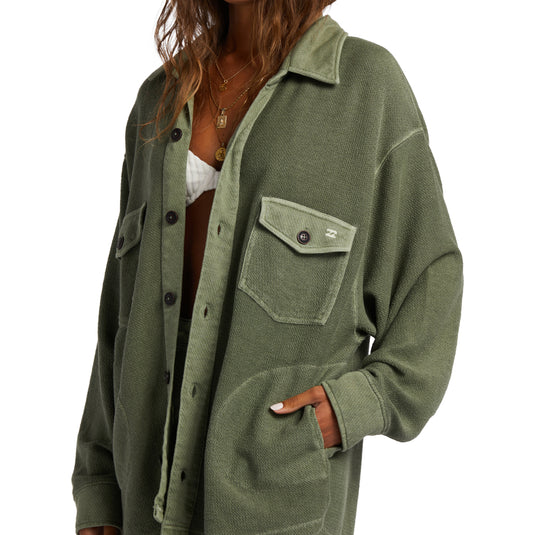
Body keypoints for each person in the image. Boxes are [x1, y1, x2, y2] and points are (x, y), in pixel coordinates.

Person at [72, 0, 464, 534]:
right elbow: (121, 308)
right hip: (141, 486)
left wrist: (353, 406)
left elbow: (430, 279)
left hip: (276, 498)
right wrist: (97, 479)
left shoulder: (367, 88)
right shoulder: (158, 98)